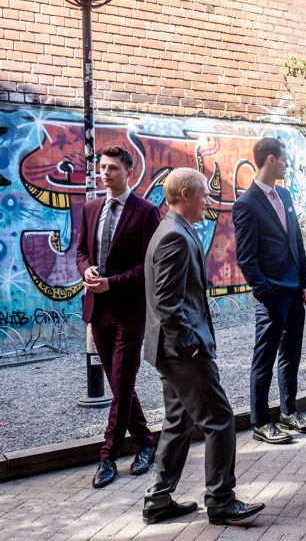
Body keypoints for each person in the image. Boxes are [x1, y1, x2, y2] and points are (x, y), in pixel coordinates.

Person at [142, 168, 265, 525]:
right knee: (221, 419)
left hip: (171, 349)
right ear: (183, 195)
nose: (208, 201)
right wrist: (191, 345)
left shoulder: (175, 230)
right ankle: (221, 500)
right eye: (203, 195)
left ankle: (158, 501)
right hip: (181, 351)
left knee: (179, 422)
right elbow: (167, 302)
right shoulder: (174, 237)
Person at [75, 145, 160, 489]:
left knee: (121, 384)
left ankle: (107, 456)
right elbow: (81, 251)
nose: (104, 173)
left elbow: (149, 264)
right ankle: (145, 442)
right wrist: (87, 271)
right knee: (119, 384)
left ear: (128, 172)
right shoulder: (91, 208)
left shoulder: (146, 211)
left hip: (129, 312)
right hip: (98, 311)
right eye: (102, 168)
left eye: (111, 168)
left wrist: (113, 283)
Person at [233, 137, 306, 444]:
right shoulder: (245, 204)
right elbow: (245, 256)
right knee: (264, 358)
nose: (286, 164)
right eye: (283, 159)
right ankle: (260, 422)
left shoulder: (285, 194)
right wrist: (265, 292)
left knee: (291, 356)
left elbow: (296, 242)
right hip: (272, 296)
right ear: (270, 160)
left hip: (295, 292)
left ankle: (288, 412)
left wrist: (305, 284)